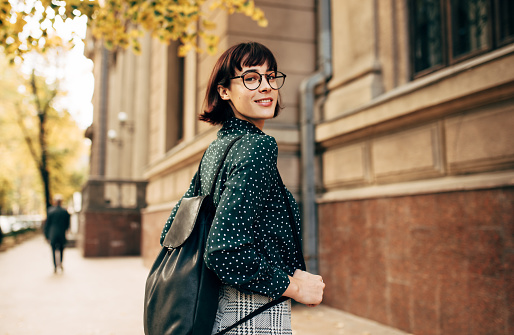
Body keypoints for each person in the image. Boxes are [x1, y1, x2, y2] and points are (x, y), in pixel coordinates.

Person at [160, 42, 325, 334]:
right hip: (251, 316)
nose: (266, 87)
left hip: (215, 312)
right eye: (251, 78)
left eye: (270, 76)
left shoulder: (217, 149)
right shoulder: (257, 146)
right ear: (224, 91)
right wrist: (294, 287)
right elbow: (224, 250)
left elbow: (171, 232)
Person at [44, 195, 70, 273]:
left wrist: (46, 235)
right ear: (61, 202)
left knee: (53, 250)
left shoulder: (50, 211)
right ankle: (61, 263)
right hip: (62, 234)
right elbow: (67, 224)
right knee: (61, 249)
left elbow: (47, 224)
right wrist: (66, 231)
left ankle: (55, 266)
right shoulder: (65, 211)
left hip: (53, 234)